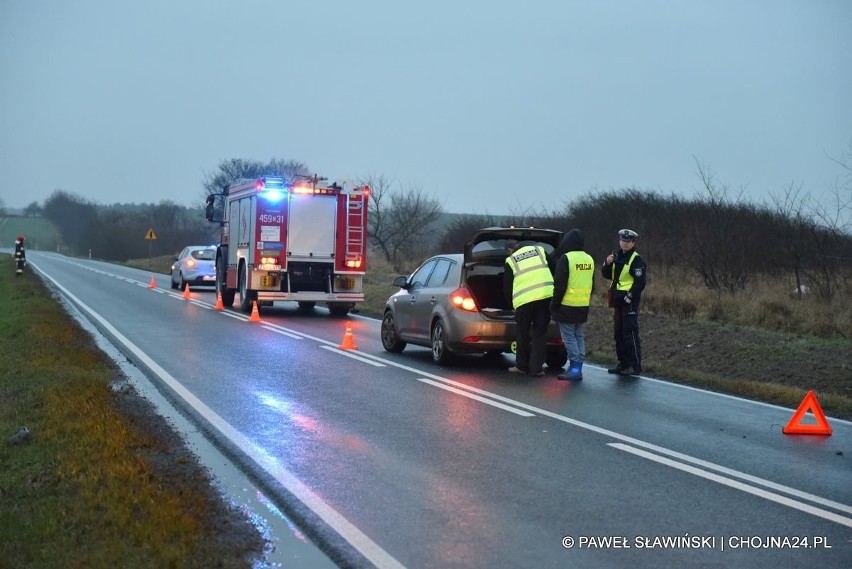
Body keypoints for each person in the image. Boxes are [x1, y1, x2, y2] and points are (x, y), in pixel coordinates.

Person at [503, 239, 554, 376]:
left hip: (523, 302)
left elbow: (507, 288)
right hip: (545, 297)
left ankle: (521, 366)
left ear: (510, 250)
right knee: (540, 333)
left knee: (522, 333)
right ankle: (536, 369)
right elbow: (554, 269)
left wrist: (512, 306)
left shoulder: (510, 260)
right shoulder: (540, 250)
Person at [549, 229, 594, 381]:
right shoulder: (589, 259)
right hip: (583, 305)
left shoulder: (566, 259)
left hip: (567, 305)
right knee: (579, 336)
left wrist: (554, 304)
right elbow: (592, 284)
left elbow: (559, 285)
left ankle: (574, 369)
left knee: (568, 338)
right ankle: (578, 368)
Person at [601, 229, 646, 375]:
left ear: (633, 243)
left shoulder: (636, 260)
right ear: (619, 241)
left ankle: (634, 365)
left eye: (628, 242)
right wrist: (607, 264)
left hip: (629, 300)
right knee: (618, 333)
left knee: (629, 332)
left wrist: (630, 296)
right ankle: (623, 363)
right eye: (623, 241)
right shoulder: (616, 256)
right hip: (617, 298)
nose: (625, 244)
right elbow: (608, 275)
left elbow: (640, 283)